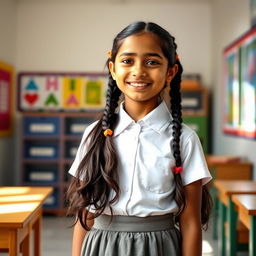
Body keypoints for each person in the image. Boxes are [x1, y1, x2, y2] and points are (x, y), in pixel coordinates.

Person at [66, 21, 212, 256]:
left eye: (152, 62)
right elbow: (84, 214)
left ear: (171, 72)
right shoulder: (94, 135)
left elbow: (191, 222)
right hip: (100, 247)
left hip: (161, 248)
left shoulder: (185, 139)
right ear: (113, 69)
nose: (138, 71)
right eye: (127, 61)